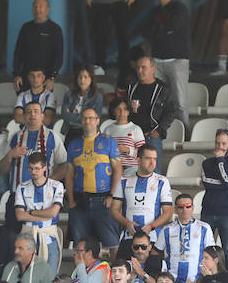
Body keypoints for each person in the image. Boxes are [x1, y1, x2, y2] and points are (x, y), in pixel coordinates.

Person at [60, 105, 119, 250]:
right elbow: (68, 174)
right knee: (81, 246)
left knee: (112, 244)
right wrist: (71, 200)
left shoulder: (109, 141)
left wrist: (112, 195)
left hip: (103, 199)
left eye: (91, 118)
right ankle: (82, 272)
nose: (87, 121)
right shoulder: (74, 144)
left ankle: (114, 272)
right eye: (84, 118)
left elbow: (118, 169)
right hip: (80, 201)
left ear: (97, 121)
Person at [111, 143, 173, 249]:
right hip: (129, 237)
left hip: (152, 238)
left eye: (154, 159)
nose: (152, 163)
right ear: (138, 160)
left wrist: (151, 226)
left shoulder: (162, 181)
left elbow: (168, 212)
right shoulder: (124, 181)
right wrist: (127, 223)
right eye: (148, 158)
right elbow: (114, 210)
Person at [148, 0, 191, 130]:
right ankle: (158, 131)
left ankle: (185, 133)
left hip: (177, 60)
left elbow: (174, 26)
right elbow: (146, 31)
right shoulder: (154, 12)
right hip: (157, 61)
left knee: (180, 102)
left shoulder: (179, 8)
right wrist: (164, 30)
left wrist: (159, 29)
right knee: (156, 99)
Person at [200, 129, 228, 277]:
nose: (220, 146)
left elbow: (226, 180)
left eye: (224, 143)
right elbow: (208, 183)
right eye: (218, 143)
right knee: (205, 250)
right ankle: (204, 280)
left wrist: (220, 160)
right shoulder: (206, 163)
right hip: (207, 212)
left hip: (226, 213)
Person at [14, 151, 65, 272]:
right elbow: (20, 216)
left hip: (49, 236)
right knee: (26, 275)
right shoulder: (22, 187)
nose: (33, 172)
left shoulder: (56, 186)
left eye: (37, 168)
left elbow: (53, 213)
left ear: (45, 168)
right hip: (28, 236)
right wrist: (44, 215)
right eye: (31, 169)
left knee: (50, 277)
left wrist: (30, 212)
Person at [1, 101, 66, 193]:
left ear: (42, 116)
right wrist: (10, 155)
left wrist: (48, 182)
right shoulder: (15, 137)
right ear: (23, 117)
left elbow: (65, 166)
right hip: (17, 194)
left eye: (36, 111)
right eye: (28, 112)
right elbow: (3, 170)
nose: (32, 114)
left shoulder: (52, 136)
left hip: (43, 194)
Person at [161, 193, 214, 283]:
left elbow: (211, 254)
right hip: (172, 281)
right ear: (176, 209)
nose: (184, 209)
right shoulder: (167, 229)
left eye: (188, 206)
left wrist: (207, 276)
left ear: (193, 208)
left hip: (196, 280)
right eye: (181, 207)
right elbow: (156, 251)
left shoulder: (204, 228)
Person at [12, 0, 65, 90]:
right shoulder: (26, 28)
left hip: (45, 80)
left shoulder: (55, 29)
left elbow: (58, 56)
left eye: (41, 7)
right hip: (26, 77)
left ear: (47, 10)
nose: (37, 9)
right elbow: (18, 52)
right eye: (35, 7)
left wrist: (51, 77)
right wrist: (16, 74)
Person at [125, 55, 172, 154]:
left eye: (143, 67)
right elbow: (122, 108)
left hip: (151, 136)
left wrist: (158, 131)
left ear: (153, 69)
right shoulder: (131, 87)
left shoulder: (163, 89)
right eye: (137, 68)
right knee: (130, 168)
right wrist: (129, 106)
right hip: (131, 135)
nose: (139, 71)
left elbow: (170, 112)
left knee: (153, 168)